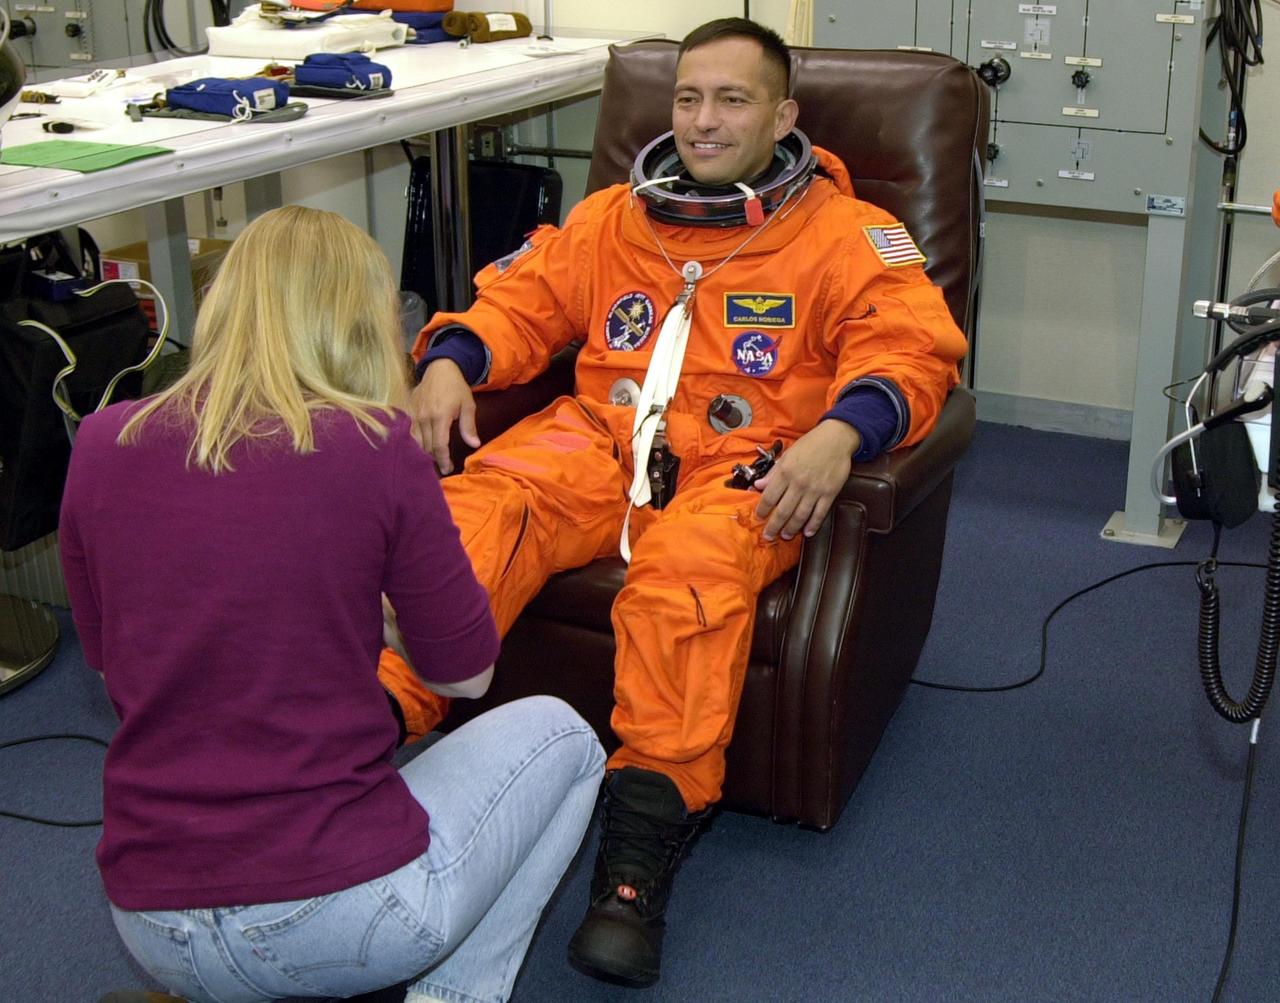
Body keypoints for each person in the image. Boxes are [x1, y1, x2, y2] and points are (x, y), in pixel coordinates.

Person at [380, 16, 969, 988]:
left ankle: (634, 860)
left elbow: (909, 347)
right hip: (599, 436)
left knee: (684, 582)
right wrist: (451, 360)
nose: (702, 120)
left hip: (745, 458)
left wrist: (840, 433)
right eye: (688, 97)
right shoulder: (613, 218)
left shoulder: (845, 232)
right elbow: (521, 302)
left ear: (782, 116)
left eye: (732, 100)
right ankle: (360, 735)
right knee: (472, 515)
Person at [58, 205, 605, 1003]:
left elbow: (117, 664)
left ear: (223, 305)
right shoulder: (378, 448)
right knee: (567, 736)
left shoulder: (101, 444)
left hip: (152, 925)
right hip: (336, 916)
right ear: (362, 323)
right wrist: (389, 625)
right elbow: (465, 676)